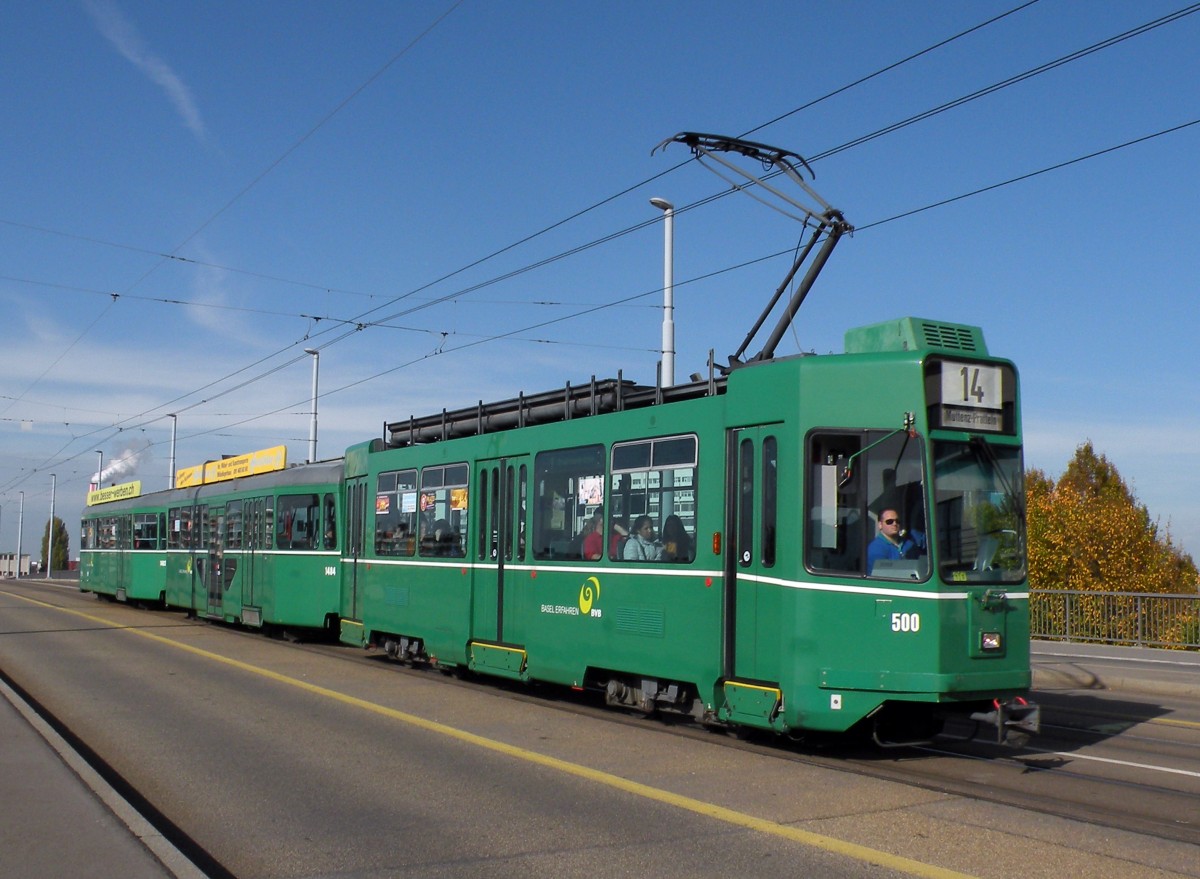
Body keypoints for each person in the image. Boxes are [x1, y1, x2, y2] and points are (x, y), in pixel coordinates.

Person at [867, 508, 926, 574]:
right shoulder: (875, 549)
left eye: (897, 521)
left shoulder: (909, 544)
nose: (894, 524)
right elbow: (880, 577)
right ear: (880, 525)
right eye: (889, 521)